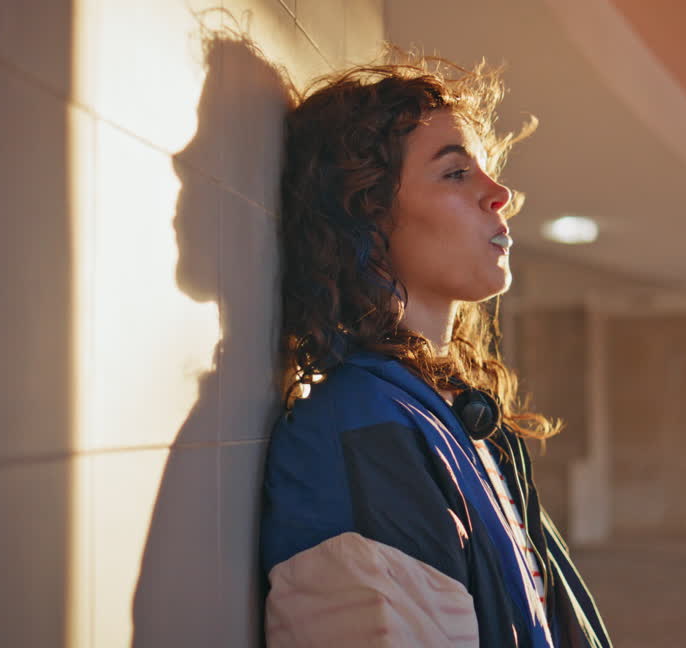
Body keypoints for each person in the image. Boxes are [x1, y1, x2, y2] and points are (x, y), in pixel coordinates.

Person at [260, 54, 611, 647]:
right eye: (455, 174)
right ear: (366, 219)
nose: (500, 194)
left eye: (487, 171)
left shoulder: (444, 408)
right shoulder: (357, 434)